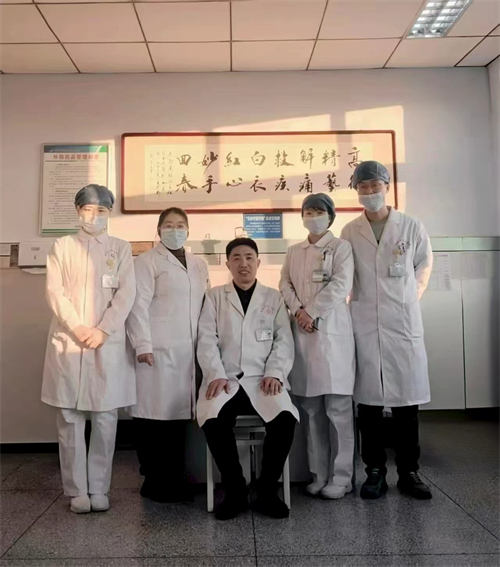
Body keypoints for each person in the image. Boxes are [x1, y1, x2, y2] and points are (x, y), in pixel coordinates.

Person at [340, 161, 434, 500]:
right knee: (368, 403)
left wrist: (405, 300)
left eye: (374, 186)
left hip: (402, 321)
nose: (369, 192)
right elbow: (345, 274)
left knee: (407, 404)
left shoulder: (410, 225)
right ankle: (375, 471)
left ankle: (409, 472)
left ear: (387, 187)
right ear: (356, 191)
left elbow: (423, 266)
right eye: (363, 187)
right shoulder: (350, 231)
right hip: (364, 321)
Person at [42, 184, 136, 514]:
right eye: (88, 209)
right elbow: (55, 292)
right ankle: (76, 491)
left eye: (102, 210)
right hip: (70, 339)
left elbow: (126, 294)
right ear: (77, 210)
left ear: (110, 213)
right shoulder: (62, 246)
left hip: (105, 341)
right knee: (69, 418)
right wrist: (78, 327)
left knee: (105, 417)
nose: (94, 215)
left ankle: (99, 488)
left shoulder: (120, 248)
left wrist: (103, 329)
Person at [197, 238, 299, 521]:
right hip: (226, 379)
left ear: (258, 262)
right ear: (228, 264)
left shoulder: (274, 298)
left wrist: (275, 372)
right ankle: (236, 490)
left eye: (249, 257)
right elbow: (206, 339)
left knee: (284, 419)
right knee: (214, 419)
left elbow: (283, 341)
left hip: (262, 379)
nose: (243, 263)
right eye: (237, 258)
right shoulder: (214, 297)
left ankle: (267, 490)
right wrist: (216, 374)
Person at [126, 207, 210, 503]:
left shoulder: (199, 264)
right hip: (156, 350)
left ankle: (174, 476)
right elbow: (136, 306)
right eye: (169, 225)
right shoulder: (146, 262)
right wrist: (143, 345)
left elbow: (206, 305)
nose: (175, 230)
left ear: (188, 230)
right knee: (152, 417)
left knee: (177, 417)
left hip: (189, 351)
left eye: (181, 225)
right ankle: (153, 479)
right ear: (159, 230)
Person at [279, 193, 356, 500]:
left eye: (319, 211)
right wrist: (299, 310)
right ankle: (319, 474)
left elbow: (341, 285)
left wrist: (310, 312)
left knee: (338, 411)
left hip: (332, 333)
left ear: (330, 216)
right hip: (303, 335)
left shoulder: (341, 248)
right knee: (311, 411)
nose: (313, 217)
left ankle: (342, 477)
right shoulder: (294, 251)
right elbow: (285, 283)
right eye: (308, 212)